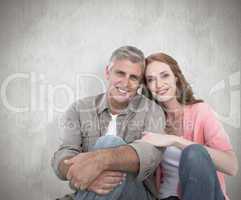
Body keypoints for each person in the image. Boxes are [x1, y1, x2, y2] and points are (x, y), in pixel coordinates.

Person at [51, 46, 166, 200]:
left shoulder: (153, 111)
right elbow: (64, 154)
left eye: (133, 77)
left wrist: (101, 161)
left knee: (110, 142)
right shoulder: (79, 109)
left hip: (137, 195)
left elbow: (149, 154)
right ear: (107, 72)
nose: (125, 83)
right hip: (89, 189)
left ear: (140, 83)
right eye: (120, 73)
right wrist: (89, 177)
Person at [140, 52, 238, 200]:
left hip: (208, 195)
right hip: (167, 196)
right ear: (147, 86)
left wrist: (175, 141)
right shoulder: (150, 120)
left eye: (164, 75)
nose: (159, 84)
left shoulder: (201, 111)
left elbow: (231, 166)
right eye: (151, 80)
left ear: (176, 77)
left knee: (194, 152)